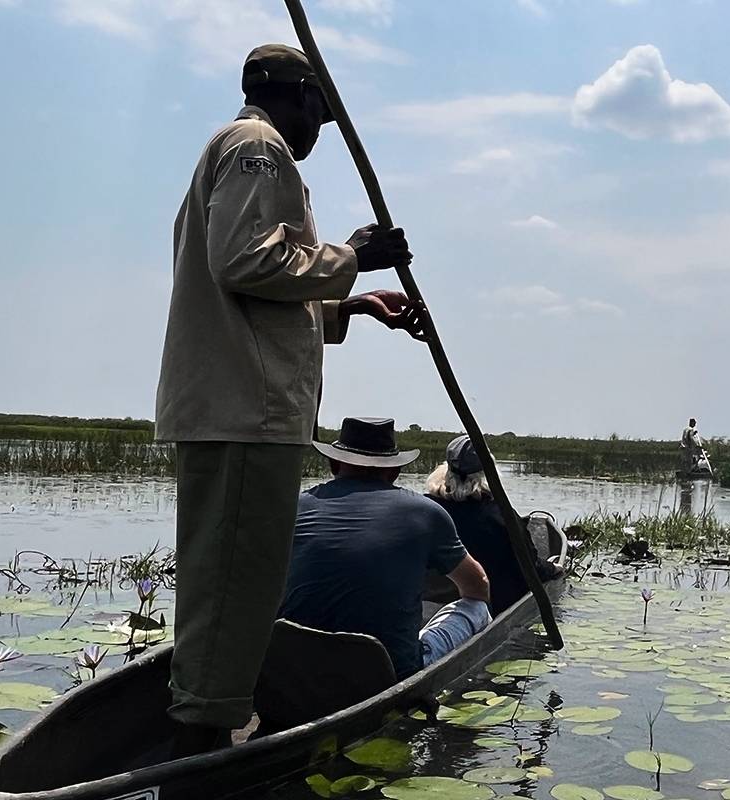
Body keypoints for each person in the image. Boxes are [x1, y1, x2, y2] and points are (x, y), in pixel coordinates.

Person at [154, 44, 426, 755]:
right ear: (298, 97)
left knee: (235, 577)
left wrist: (356, 304)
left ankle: (213, 710)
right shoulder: (259, 146)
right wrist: (350, 257)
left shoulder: (250, 150)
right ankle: (206, 735)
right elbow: (245, 262)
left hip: (242, 403)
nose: (319, 129)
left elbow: (263, 293)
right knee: (237, 584)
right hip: (247, 406)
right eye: (319, 111)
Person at [279, 418, 493, 680]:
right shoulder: (425, 513)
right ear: (394, 472)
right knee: (477, 608)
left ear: (333, 465)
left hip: (294, 664)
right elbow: (477, 586)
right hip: (389, 672)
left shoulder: (295, 507)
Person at [426, 435, 563, 614]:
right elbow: (531, 570)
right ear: (487, 473)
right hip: (489, 607)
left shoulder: (427, 509)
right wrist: (553, 569)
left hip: (435, 599)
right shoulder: (502, 516)